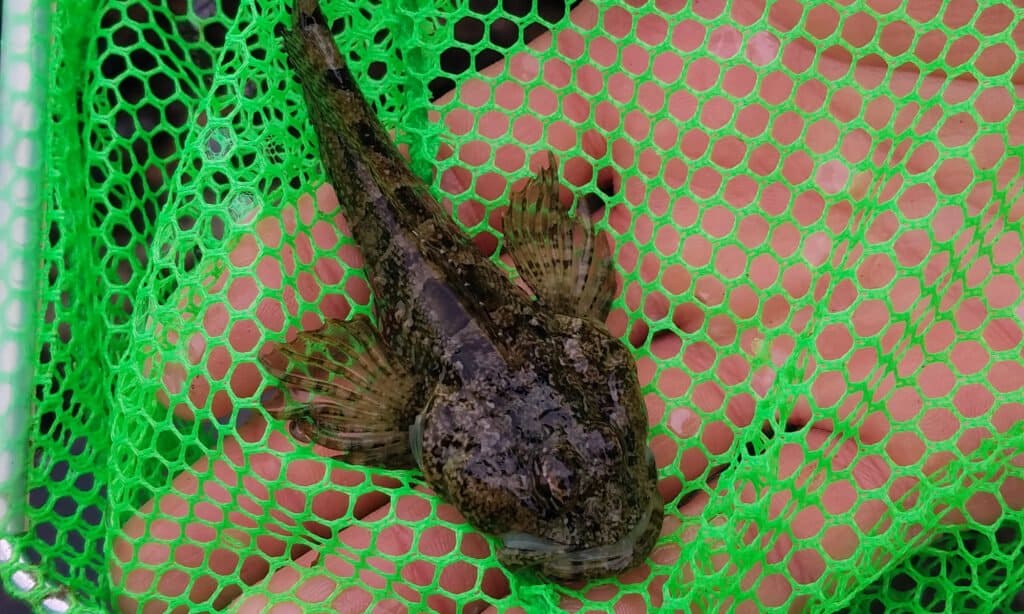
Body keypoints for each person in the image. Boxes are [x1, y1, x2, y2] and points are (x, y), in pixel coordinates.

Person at [109, 0, 1024, 611]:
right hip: (479, 335)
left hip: (508, 329)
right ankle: (302, 31)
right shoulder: (457, 392)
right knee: (340, 126)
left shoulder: (549, 347)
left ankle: (305, 28)